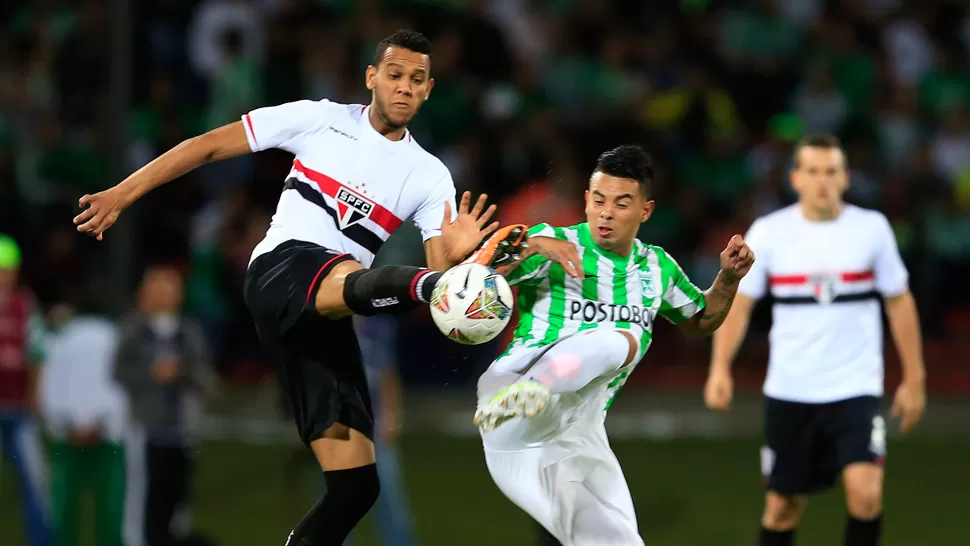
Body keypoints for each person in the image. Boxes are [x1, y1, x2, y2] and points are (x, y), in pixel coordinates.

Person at [74, 29, 574, 545]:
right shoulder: (321, 118)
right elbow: (206, 147)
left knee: (356, 486)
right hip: (281, 272)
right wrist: (123, 191)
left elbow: (445, 280)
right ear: (371, 78)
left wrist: (468, 254)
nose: (404, 87)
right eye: (395, 75)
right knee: (363, 276)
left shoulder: (429, 176)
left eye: (417, 79)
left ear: (428, 90)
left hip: (329, 312)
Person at [471, 145, 755, 545]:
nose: (606, 212)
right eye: (599, 200)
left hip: (580, 431)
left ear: (646, 210)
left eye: (621, 203)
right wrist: (525, 246)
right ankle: (535, 387)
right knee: (622, 338)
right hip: (513, 400)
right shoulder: (550, 242)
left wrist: (728, 279)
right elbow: (467, 287)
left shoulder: (657, 268)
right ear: (586, 200)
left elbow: (701, 319)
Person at [704, 133, 927, 546]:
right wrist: (720, 368)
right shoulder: (770, 232)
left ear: (845, 178)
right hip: (791, 390)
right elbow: (740, 305)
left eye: (831, 171)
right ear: (796, 178)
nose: (822, 181)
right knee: (783, 508)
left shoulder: (871, 229)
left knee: (866, 495)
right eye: (812, 171)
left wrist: (915, 379)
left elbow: (900, 303)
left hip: (855, 386)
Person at [114, 265, 216, 546]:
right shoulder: (135, 330)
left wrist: (181, 372)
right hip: (146, 428)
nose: (165, 296)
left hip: (183, 430)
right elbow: (119, 372)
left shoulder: (188, 331)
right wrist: (151, 372)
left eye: (170, 289)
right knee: (142, 500)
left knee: (177, 504)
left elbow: (206, 378)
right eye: (158, 289)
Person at [40, 292, 127, 546]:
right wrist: (108, 426)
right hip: (106, 436)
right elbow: (121, 389)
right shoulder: (116, 337)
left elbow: (50, 386)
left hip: (68, 435)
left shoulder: (62, 338)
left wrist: (62, 426)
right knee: (110, 510)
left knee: (65, 507)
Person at [0, 234, 54, 546]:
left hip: (18, 409)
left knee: (36, 484)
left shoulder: (24, 304)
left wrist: (35, 398)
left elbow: (36, 353)